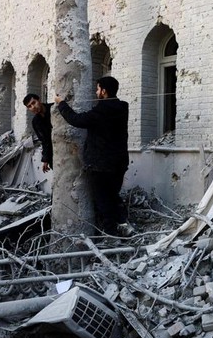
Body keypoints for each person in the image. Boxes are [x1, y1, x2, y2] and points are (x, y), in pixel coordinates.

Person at [54, 76, 135, 237]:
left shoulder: (101, 111)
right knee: (113, 196)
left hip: (101, 165)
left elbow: (76, 120)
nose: (96, 92)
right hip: (119, 162)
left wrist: (61, 104)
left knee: (103, 201)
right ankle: (124, 225)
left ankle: (111, 235)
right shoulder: (122, 108)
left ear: (104, 91)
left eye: (98, 89)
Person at [22, 94, 53, 172]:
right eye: (29, 106)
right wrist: (45, 160)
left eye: (34, 103)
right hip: (53, 154)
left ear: (39, 100)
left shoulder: (53, 109)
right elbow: (44, 141)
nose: (33, 107)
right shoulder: (36, 122)